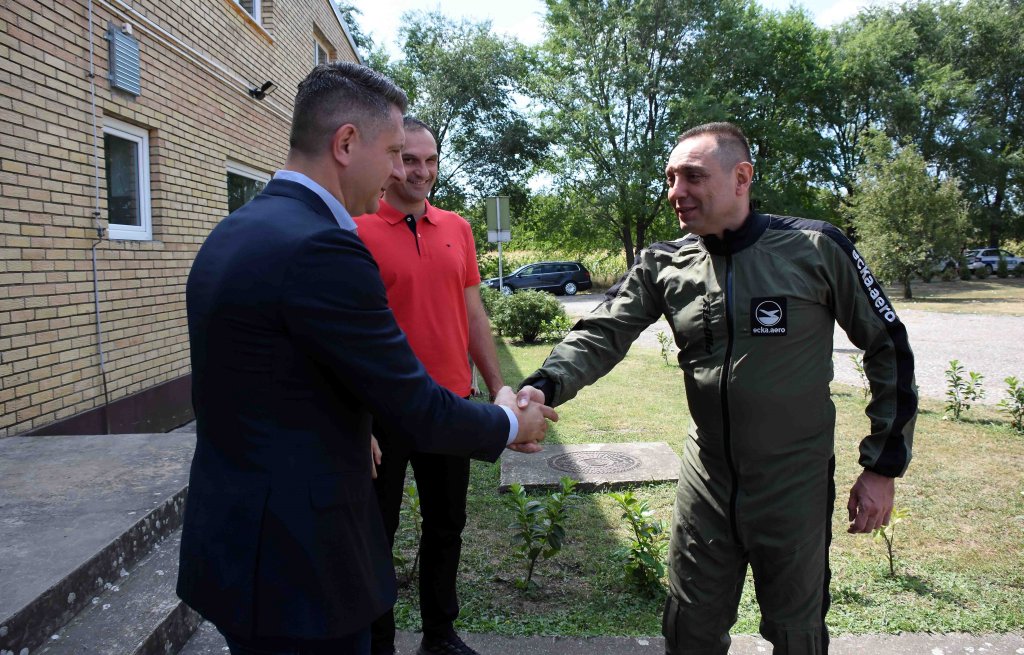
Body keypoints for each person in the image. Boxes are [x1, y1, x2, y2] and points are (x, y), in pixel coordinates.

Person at [177, 62, 555, 655]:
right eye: (393, 152)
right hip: (299, 571)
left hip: (234, 551)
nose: (398, 172)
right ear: (347, 144)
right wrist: (510, 422)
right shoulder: (324, 246)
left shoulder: (237, 229)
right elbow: (414, 405)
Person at [518, 122, 917, 655]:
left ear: (741, 178)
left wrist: (882, 466)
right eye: (670, 178)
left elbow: (889, 346)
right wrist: (543, 385)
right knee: (690, 628)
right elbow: (602, 332)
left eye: (693, 176)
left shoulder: (816, 247)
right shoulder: (665, 263)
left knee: (796, 631)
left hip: (793, 479)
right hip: (707, 476)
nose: (676, 192)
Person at [353, 117, 499, 655]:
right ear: (391, 162)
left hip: (450, 405)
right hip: (384, 412)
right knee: (377, 533)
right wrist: (357, 421)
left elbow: (473, 314)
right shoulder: (357, 229)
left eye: (431, 160)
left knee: (446, 526)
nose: (421, 171)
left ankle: (439, 636)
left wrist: (498, 386)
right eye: (410, 159)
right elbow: (348, 335)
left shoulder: (458, 228)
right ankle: (379, 643)